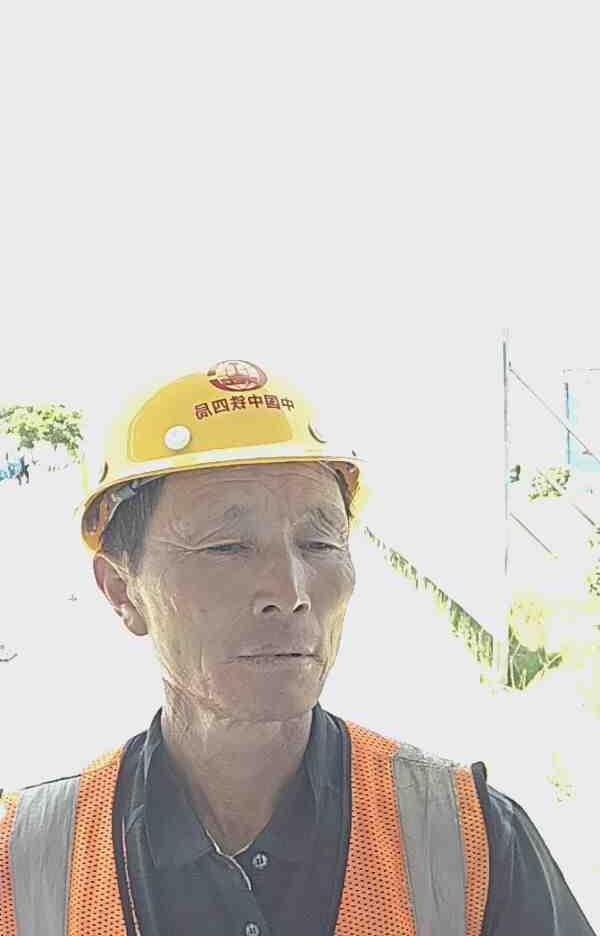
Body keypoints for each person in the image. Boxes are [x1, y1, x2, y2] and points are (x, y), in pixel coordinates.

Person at [0, 360, 596, 935]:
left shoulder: (470, 842)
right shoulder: (26, 862)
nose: (289, 594)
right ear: (120, 589)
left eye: (319, 544)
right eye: (226, 547)